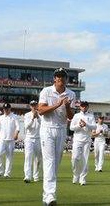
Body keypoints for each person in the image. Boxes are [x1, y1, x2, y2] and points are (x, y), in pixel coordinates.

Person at [38, 68, 75, 206]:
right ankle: (50, 196)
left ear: (66, 79)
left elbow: (71, 116)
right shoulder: (46, 91)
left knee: (56, 163)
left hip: (61, 129)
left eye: (63, 76)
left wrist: (66, 106)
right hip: (47, 129)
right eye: (58, 76)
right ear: (54, 78)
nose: (60, 79)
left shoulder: (70, 94)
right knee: (49, 161)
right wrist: (57, 104)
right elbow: (41, 110)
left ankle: (46, 195)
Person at [70, 101, 96, 185]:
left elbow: (94, 127)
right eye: (82, 106)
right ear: (80, 107)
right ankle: (75, 175)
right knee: (75, 158)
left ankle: (83, 179)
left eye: (85, 106)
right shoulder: (76, 116)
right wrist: (79, 126)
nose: (84, 107)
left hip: (87, 140)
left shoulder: (91, 116)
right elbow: (71, 128)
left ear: (88, 107)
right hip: (77, 139)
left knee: (85, 159)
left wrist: (86, 124)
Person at [0, 103, 19, 178]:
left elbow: (17, 127)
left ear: (10, 109)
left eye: (7, 109)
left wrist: (16, 134)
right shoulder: (1, 118)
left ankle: (7, 173)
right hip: (2, 139)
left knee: (9, 157)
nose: (5, 110)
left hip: (11, 139)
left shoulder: (14, 117)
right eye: (4, 109)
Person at [23, 100, 42, 183]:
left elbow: (43, 125)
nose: (33, 107)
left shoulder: (41, 114)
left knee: (38, 158)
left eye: (35, 105)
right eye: (32, 105)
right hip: (29, 138)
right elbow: (26, 127)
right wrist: (32, 118)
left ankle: (36, 176)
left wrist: (37, 117)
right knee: (28, 157)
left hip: (38, 138)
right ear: (30, 106)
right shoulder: (27, 115)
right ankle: (27, 176)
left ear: (37, 105)